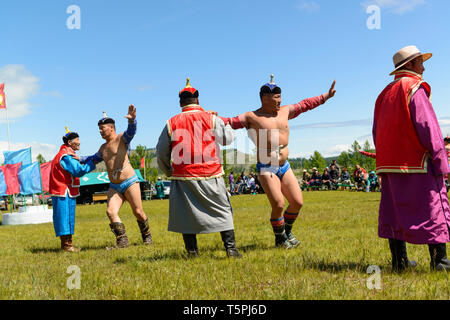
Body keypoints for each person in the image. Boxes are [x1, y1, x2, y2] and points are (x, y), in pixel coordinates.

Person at [219, 75, 336, 248]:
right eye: (276, 98)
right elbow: (228, 122)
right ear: (264, 98)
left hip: (284, 165)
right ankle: (280, 240)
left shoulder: (285, 111)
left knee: (297, 202)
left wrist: (325, 96)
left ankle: (287, 232)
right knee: (279, 203)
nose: (279, 101)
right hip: (266, 166)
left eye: (280, 97)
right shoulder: (252, 117)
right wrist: (208, 117)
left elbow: (305, 105)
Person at [373, 45, 450, 272]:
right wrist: (440, 160)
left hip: (389, 164)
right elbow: (429, 128)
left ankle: (400, 261)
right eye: (420, 62)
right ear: (410, 65)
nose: (424, 67)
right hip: (418, 162)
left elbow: (376, 132)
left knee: (394, 212)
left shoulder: (383, 95)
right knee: (433, 208)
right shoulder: (414, 88)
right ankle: (440, 262)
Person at [156, 78, 242, 258]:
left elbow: (161, 152)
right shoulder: (211, 119)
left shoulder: (171, 122)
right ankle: (231, 249)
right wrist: (221, 121)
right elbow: (227, 139)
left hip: (184, 176)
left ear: (180, 102)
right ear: (198, 100)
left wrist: (168, 171)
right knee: (223, 210)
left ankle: (192, 252)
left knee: (187, 215)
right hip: (211, 174)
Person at [82, 106, 153, 249]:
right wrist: (78, 158)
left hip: (130, 181)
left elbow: (131, 132)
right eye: (99, 129)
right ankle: (122, 241)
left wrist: (132, 121)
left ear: (111, 128)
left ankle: (147, 236)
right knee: (110, 211)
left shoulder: (121, 139)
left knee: (138, 212)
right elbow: (92, 158)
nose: (100, 131)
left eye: (103, 128)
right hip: (114, 186)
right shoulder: (103, 148)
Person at [49, 128, 96, 252]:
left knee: (66, 217)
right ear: (69, 142)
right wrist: (92, 163)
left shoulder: (64, 153)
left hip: (64, 190)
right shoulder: (66, 156)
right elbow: (78, 171)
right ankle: (66, 245)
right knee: (64, 217)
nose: (80, 142)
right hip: (63, 191)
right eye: (77, 140)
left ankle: (68, 244)